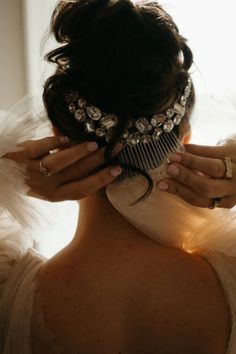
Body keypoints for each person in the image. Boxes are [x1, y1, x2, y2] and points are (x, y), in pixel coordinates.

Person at [0, 0, 236, 353]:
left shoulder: (9, 294)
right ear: (183, 133)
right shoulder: (230, 278)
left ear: (56, 132)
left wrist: (7, 168)